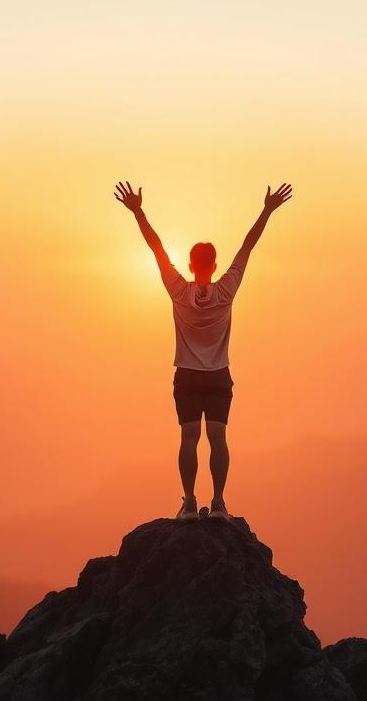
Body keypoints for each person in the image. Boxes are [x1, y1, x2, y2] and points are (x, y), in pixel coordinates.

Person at [114, 180, 293, 520]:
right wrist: (267, 210)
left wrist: (138, 211)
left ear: (192, 264)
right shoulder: (226, 290)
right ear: (213, 265)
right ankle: (221, 504)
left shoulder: (179, 291)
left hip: (187, 375)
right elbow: (247, 246)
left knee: (189, 438)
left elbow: (157, 248)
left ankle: (189, 503)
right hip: (219, 376)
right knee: (218, 438)